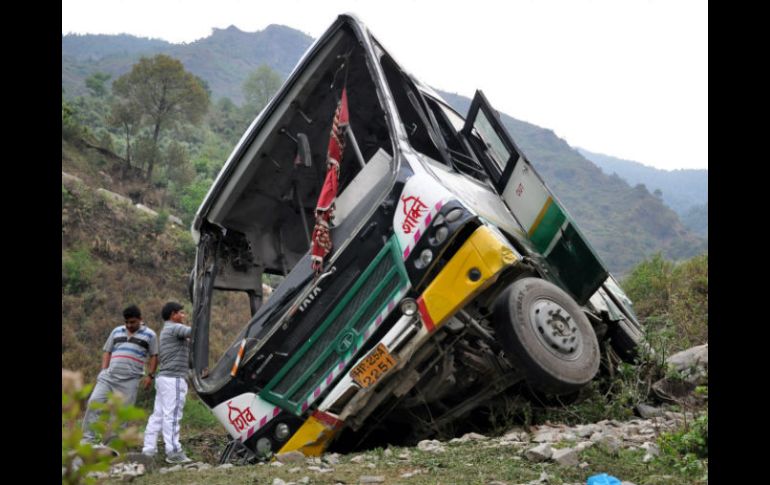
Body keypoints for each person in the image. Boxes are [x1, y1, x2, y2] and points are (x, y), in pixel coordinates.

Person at [82, 305, 158, 445]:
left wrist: (150, 376)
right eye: (126, 322)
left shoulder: (150, 335)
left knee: (120, 415)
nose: (129, 325)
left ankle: (110, 446)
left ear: (140, 319)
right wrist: (103, 370)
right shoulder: (117, 331)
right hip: (108, 378)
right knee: (94, 403)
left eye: (132, 322)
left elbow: (154, 355)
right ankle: (87, 441)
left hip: (129, 381)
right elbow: (107, 351)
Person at [142, 302, 193, 464]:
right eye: (182, 313)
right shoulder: (174, 328)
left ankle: (148, 450)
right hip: (174, 379)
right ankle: (173, 452)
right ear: (173, 314)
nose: (184, 316)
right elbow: (195, 332)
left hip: (164, 379)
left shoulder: (167, 330)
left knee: (157, 416)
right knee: (172, 415)